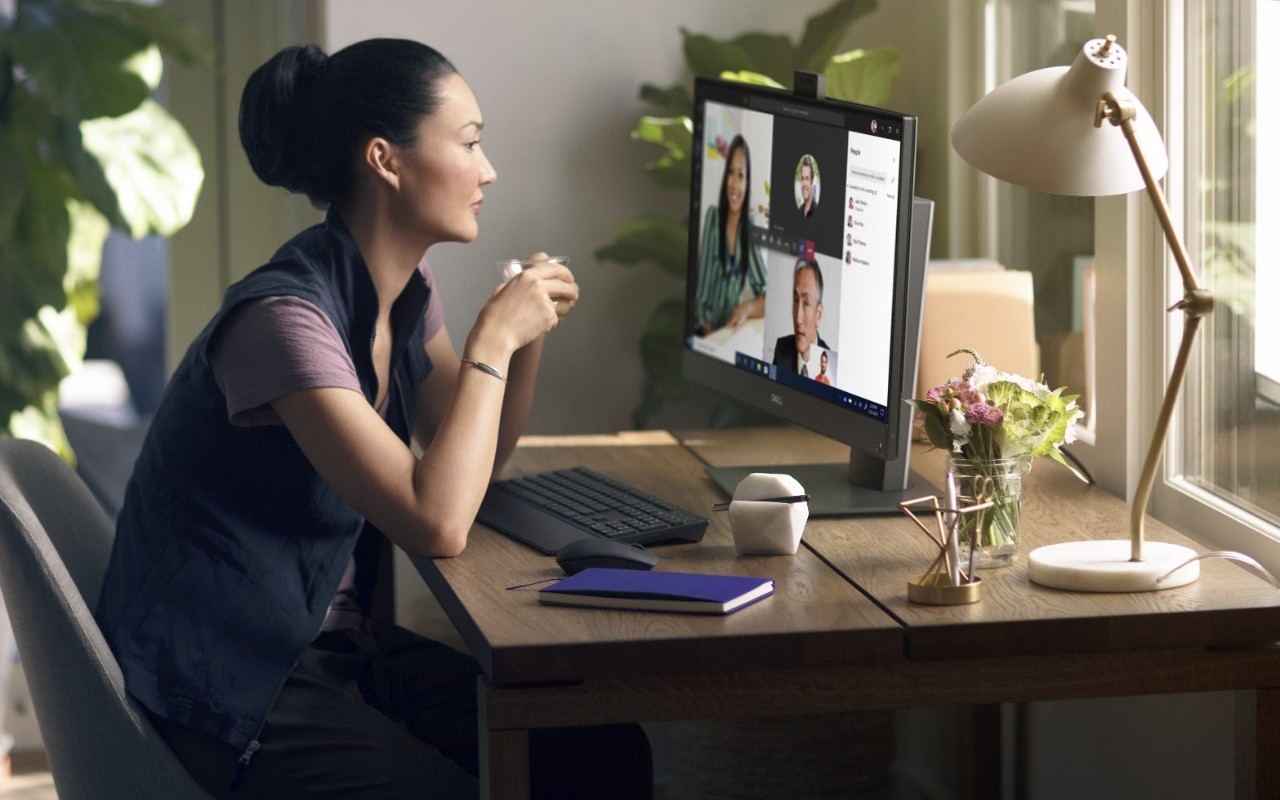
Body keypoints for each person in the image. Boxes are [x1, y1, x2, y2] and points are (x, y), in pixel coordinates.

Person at [95, 38, 651, 799]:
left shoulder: (404, 292)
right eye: (469, 142)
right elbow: (437, 520)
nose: (487, 170)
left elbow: (471, 463)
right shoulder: (283, 322)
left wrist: (523, 343)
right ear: (386, 160)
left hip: (335, 651)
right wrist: (492, 337)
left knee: (598, 752)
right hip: (235, 683)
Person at [693, 134, 766, 336]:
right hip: (705, 335)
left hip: (729, 335)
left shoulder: (749, 230)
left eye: (741, 175)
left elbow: (767, 293)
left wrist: (747, 308)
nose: (734, 184)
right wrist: (710, 339)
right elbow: (701, 298)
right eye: (730, 173)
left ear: (748, 181)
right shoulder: (713, 219)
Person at [772, 257, 829, 377]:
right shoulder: (781, 349)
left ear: (818, 315)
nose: (798, 319)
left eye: (806, 303)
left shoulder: (830, 364)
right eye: (796, 300)